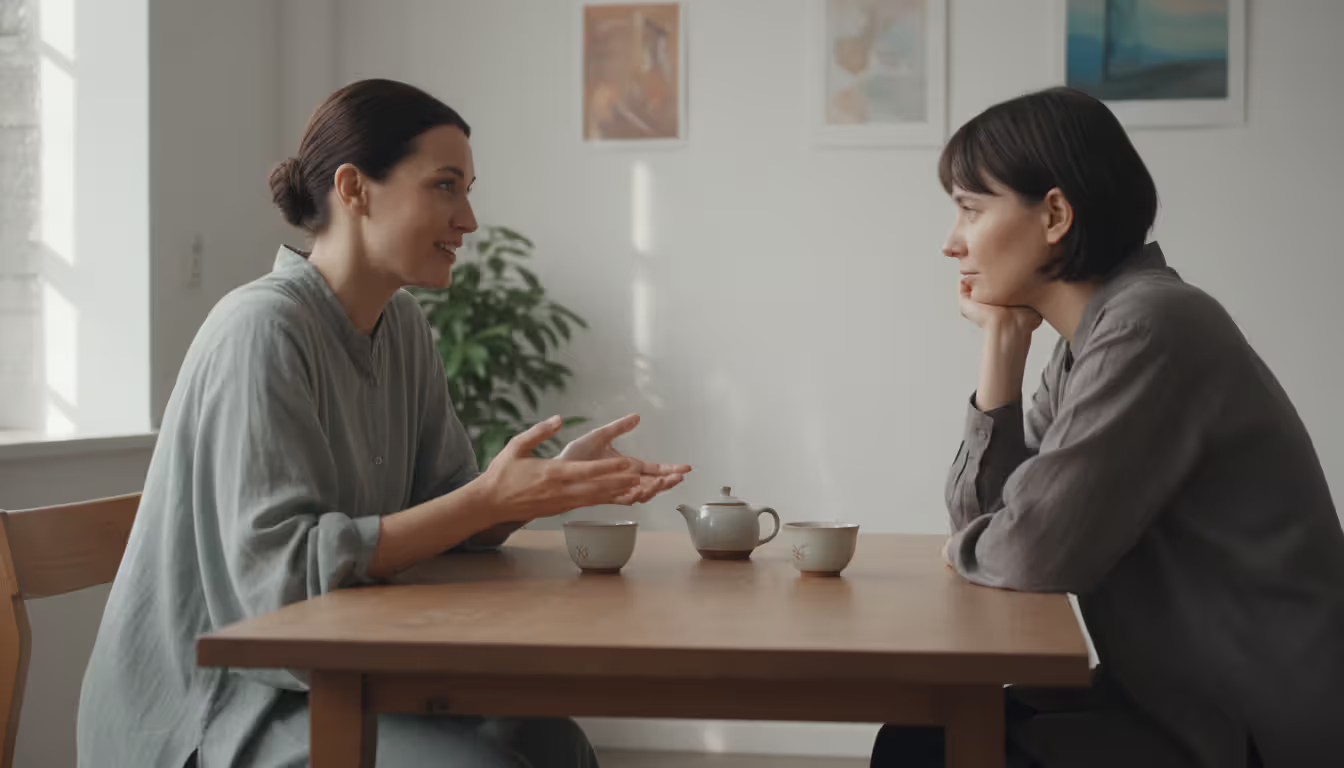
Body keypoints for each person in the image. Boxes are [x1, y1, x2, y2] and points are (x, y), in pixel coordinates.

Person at [77, 78, 690, 768]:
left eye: (467, 189)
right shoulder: (261, 330)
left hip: (328, 677)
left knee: (554, 744)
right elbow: (274, 590)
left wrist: (536, 490)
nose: (470, 219)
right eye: (445, 186)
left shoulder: (402, 328)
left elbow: (442, 511)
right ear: (355, 188)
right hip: (216, 707)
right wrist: (486, 498)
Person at [871, 87, 1344, 767]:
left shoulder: (1150, 328)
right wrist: (1003, 347)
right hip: (1171, 700)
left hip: (1251, 727)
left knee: (923, 753)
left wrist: (976, 547)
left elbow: (1025, 554)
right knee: (919, 736)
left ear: (1055, 214)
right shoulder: (1089, 343)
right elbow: (992, 529)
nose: (951, 243)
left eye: (971, 209)